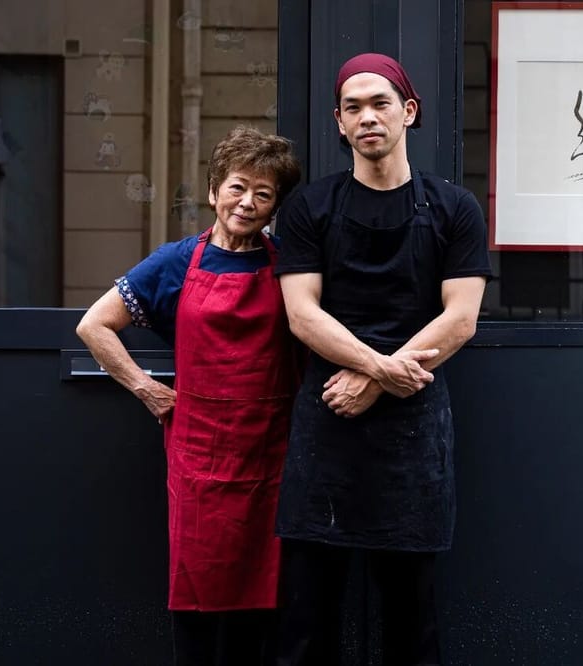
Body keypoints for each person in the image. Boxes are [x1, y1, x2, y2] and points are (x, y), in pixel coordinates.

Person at [272, 53, 494, 665]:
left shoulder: (455, 209)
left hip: (412, 430)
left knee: (411, 623)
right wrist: (381, 368)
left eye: (380, 103)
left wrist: (377, 377)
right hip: (328, 423)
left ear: (408, 112)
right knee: (306, 623)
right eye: (353, 108)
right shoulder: (308, 209)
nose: (367, 116)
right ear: (340, 124)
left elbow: (461, 318)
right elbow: (302, 314)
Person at [76, 126, 303, 666]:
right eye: (237, 187)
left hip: (273, 451)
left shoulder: (291, 267)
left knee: (268, 593)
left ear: (275, 207)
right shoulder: (176, 262)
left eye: (264, 194)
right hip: (199, 451)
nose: (247, 203)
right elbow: (93, 326)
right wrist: (146, 388)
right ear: (213, 192)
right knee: (198, 588)